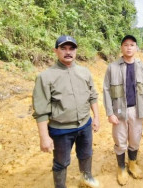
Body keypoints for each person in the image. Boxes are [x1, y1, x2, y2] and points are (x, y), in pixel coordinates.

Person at [32, 35, 100, 188]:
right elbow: (41, 110)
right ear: (56, 51)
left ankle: (86, 178)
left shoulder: (84, 72)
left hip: (85, 125)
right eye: (63, 48)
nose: (68, 52)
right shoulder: (45, 77)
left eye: (71, 48)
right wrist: (44, 137)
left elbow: (93, 96)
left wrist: (96, 117)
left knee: (86, 154)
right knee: (61, 162)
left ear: (76, 51)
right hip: (61, 129)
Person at [103, 35, 143, 185]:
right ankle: (121, 168)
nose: (129, 47)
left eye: (132, 45)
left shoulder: (142, 67)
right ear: (121, 47)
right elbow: (106, 90)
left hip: (137, 110)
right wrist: (109, 113)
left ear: (136, 48)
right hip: (119, 111)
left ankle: (132, 163)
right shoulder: (112, 67)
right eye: (126, 45)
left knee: (135, 139)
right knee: (120, 141)